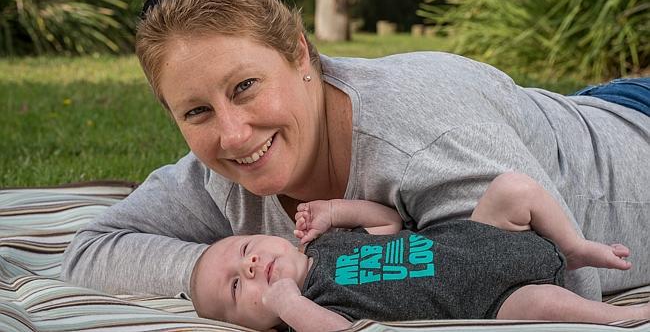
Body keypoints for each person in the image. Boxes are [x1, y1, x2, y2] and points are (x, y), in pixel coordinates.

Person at [61, 0, 650, 304]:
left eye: (244, 86)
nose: (234, 136)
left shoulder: (419, 134)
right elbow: (91, 252)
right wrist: (218, 268)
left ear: (299, 55)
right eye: (196, 112)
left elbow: (570, 287)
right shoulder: (214, 181)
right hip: (572, 113)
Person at [190, 172, 647, 331]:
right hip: (495, 302)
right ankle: (631, 317)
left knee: (513, 187)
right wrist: (286, 302)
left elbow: (387, 221)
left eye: (245, 248)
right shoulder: (309, 311)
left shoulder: (325, 244)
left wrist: (335, 210)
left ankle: (573, 247)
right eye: (236, 286)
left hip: (481, 234)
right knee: (554, 307)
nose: (249, 265)